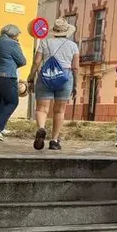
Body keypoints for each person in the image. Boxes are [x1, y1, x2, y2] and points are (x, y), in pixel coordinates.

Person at [27, 18, 79, 151]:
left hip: (46, 77)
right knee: (59, 111)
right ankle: (54, 141)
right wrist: (75, 85)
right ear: (67, 32)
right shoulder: (73, 46)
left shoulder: (45, 42)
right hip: (65, 78)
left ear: (54, 31)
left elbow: (36, 62)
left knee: (41, 109)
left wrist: (31, 77)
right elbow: (75, 68)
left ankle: (41, 128)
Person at [0, 24, 27, 141]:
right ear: (13, 34)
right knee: (13, 101)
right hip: (7, 75)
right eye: (17, 35)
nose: (18, 37)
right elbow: (22, 61)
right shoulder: (12, 43)